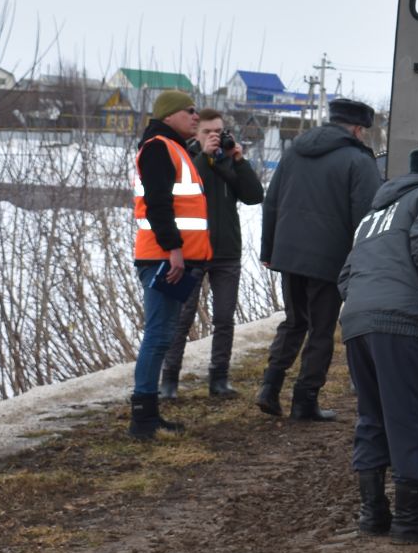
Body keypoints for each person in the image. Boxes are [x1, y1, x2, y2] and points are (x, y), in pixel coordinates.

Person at [338, 139, 418, 544]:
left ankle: (372, 513)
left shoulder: (377, 214)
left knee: (372, 415)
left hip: (357, 320)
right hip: (399, 321)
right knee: (408, 417)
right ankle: (409, 520)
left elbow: (346, 273)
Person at [258, 98, 382, 421]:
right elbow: (366, 217)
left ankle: (269, 387)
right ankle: (305, 400)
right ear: (357, 129)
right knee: (321, 329)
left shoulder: (295, 151)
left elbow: (271, 201)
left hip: (288, 254)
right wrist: (365, 260)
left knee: (294, 321)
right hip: (328, 260)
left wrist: (269, 250)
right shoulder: (359, 160)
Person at [159, 108, 264, 400]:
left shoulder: (230, 160)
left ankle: (219, 378)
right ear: (197, 132)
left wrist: (239, 161)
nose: (214, 137)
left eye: (218, 132)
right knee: (181, 317)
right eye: (207, 132)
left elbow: (255, 196)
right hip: (192, 251)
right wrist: (206, 157)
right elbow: (190, 187)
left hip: (227, 251)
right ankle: (169, 380)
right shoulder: (186, 159)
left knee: (224, 318)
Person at [128, 90, 211, 439]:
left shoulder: (173, 147)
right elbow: (158, 203)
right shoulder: (159, 147)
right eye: (189, 111)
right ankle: (143, 418)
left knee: (162, 336)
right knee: (158, 335)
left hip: (172, 257)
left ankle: (149, 415)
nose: (196, 116)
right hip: (163, 258)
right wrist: (174, 248)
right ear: (169, 114)